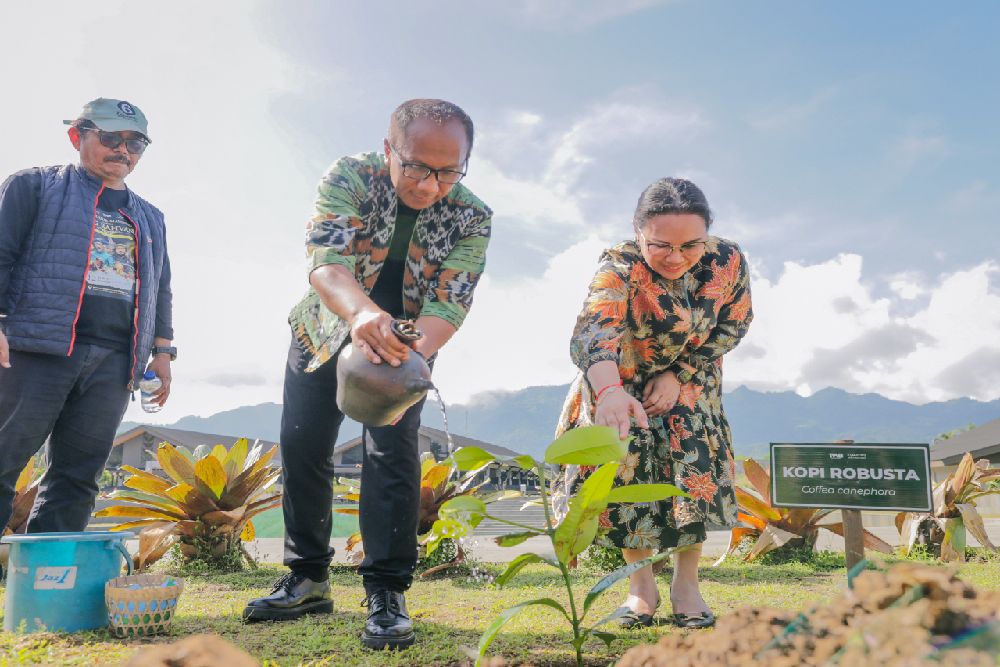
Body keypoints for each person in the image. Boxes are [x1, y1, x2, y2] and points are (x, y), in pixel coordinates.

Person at [244, 99, 491, 651]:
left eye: (447, 172)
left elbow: (450, 302)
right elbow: (325, 262)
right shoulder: (351, 176)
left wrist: (407, 355)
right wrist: (361, 316)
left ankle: (387, 591)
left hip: (409, 344)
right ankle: (307, 578)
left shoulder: (474, 216)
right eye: (416, 167)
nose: (429, 185)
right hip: (328, 327)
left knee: (392, 453)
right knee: (304, 444)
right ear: (389, 149)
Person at [555, 177, 752, 629]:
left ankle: (687, 585)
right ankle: (641, 588)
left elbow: (734, 324)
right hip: (619, 383)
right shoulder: (618, 266)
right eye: (661, 245)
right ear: (638, 232)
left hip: (692, 381)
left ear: (707, 236)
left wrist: (679, 374)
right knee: (626, 474)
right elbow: (594, 331)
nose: (676, 257)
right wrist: (610, 392)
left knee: (692, 476)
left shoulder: (727, 260)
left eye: (691, 245)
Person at [0, 98, 175, 534]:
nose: (123, 150)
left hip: (115, 362)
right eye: (111, 137)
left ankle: (49, 574)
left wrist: (163, 352)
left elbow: (160, 288)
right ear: (76, 136)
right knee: (3, 459)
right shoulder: (33, 186)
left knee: (78, 478)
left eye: (135, 143)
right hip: (36, 348)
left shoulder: (151, 217)